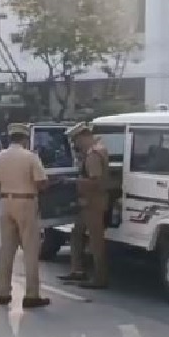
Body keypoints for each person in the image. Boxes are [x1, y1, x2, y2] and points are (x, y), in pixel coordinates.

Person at [0, 123, 50, 309]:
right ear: (25, 138)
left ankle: (3, 292)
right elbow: (41, 182)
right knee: (30, 249)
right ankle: (31, 295)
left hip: (5, 201)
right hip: (26, 201)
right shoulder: (30, 157)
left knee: (6, 249)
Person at [58, 122, 110, 289]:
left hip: (93, 202)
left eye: (76, 140)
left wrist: (73, 181)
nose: (75, 145)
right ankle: (77, 270)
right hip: (88, 202)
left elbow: (96, 181)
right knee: (76, 234)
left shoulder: (93, 155)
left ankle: (100, 278)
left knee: (96, 241)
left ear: (83, 137)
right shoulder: (96, 150)